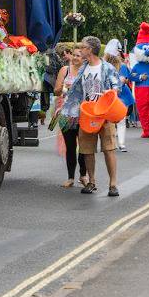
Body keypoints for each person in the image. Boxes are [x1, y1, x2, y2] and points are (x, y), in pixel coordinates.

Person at [67, 36, 121, 197]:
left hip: (104, 114)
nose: (80, 49)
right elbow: (76, 92)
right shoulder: (83, 68)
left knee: (108, 149)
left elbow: (117, 87)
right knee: (87, 150)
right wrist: (70, 111)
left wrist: (109, 93)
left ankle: (113, 184)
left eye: (83, 47)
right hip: (87, 114)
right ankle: (91, 181)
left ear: (90, 50)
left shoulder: (107, 68)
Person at [53, 46, 89, 188]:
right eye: (73, 55)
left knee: (84, 146)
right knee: (70, 146)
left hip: (83, 113)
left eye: (78, 56)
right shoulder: (65, 70)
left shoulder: (87, 71)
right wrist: (63, 88)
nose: (75, 58)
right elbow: (56, 91)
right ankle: (70, 177)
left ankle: (83, 175)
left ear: (84, 58)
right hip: (66, 113)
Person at [106, 52, 132, 151]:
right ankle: (117, 143)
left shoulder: (123, 67)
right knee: (114, 121)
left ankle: (120, 143)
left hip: (120, 96)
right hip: (111, 95)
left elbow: (122, 80)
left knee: (120, 120)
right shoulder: (103, 67)